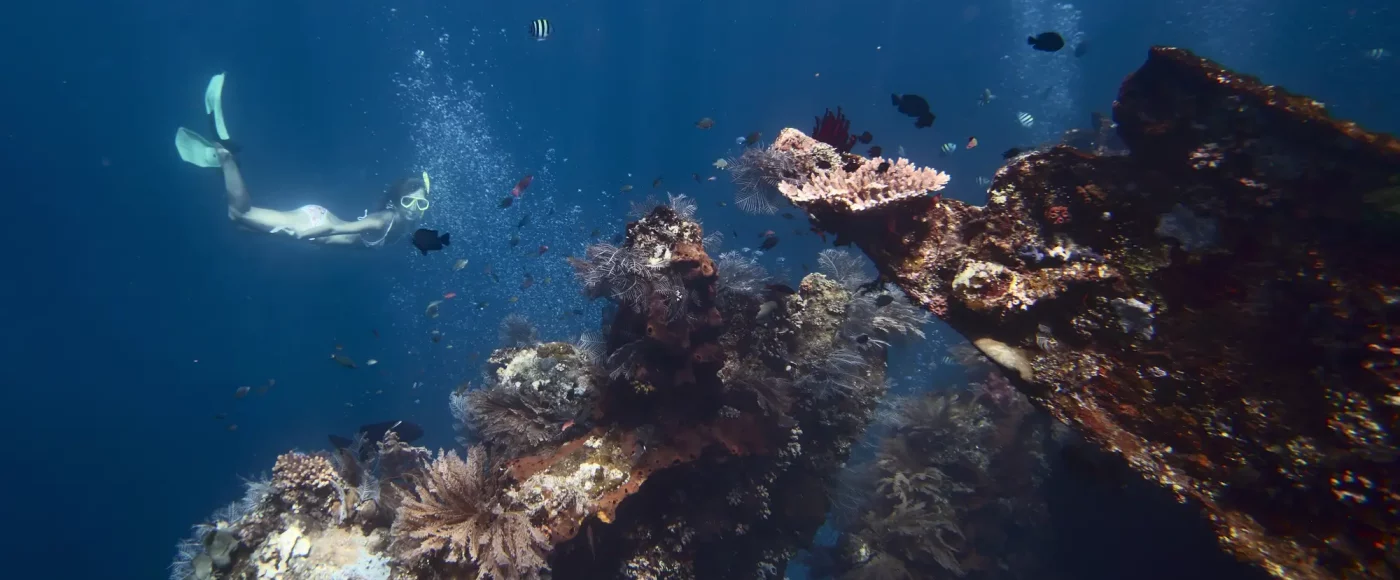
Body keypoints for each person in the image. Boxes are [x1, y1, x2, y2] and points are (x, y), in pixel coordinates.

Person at [174, 73, 431, 246]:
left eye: (420, 204)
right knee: (239, 214)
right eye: (408, 201)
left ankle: (225, 159)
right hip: (315, 225)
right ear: (396, 203)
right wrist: (305, 233)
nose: (413, 208)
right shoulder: (385, 220)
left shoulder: (407, 220)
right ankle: (225, 157)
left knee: (243, 226)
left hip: (318, 222)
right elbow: (340, 230)